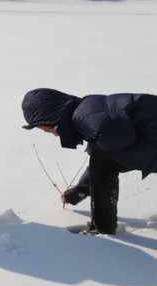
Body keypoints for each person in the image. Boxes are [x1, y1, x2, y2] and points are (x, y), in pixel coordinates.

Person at [21, 88, 157, 234]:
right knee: (102, 162)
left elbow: (118, 142)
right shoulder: (86, 110)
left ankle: (102, 228)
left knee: (103, 164)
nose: (54, 135)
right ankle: (102, 226)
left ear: (54, 120)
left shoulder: (86, 117)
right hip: (149, 133)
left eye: (48, 130)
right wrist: (81, 189)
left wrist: (97, 149)